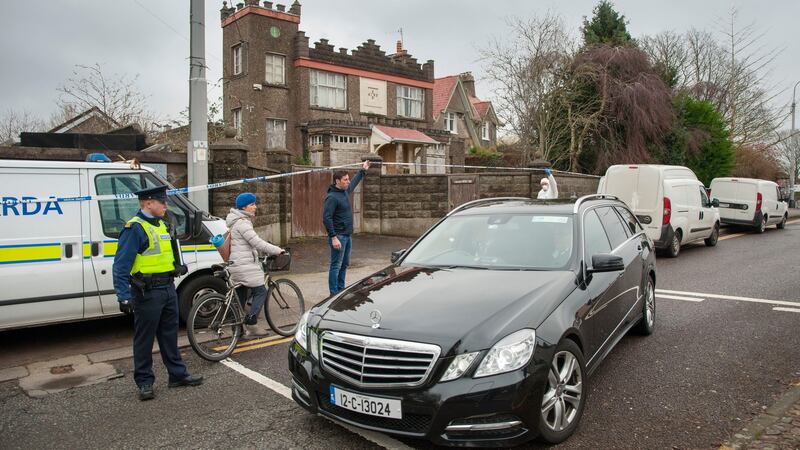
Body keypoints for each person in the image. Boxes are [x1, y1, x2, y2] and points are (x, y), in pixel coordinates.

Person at [112, 185, 203, 401]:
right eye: (162, 202)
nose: (166, 205)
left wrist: (176, 266)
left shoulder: (162, 224)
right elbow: (121, 265)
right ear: (148, 203)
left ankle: (177, 375)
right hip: (147, 292)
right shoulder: (134, 228)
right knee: (144, 339)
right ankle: (144, 382)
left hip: (167, 288)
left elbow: (165, 253)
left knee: (169, 335)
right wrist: (123, 295)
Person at [226, 192, 284, 338]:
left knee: (241, 296)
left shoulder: (234, 222)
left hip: (236, 265)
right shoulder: (243, 223)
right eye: (252, 204)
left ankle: (237, 330)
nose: (255, 206)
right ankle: (251, 325)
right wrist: (277, 250)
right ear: (244, 207)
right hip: (244, 265)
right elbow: (257, 242)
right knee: (261, 291)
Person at [323, 160, 370, 295]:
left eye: (348, 179)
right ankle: (333, 294)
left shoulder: (344, 192)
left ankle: (340, 290)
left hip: (347, 235)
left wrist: (363, 170)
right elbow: (326, 218)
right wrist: (333, 237)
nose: (348, 182)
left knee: (344, 265)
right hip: (339, 237)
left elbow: (354, 182)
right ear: (337, 181)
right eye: (345, 180)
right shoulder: (332, 197)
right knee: (336, 266)